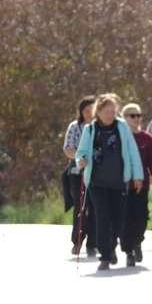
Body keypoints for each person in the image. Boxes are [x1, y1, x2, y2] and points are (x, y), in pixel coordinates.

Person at [75, 94, 144, 272]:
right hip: (97, 182)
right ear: (98, 112)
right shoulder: (90, 129)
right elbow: (81, 152)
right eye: (106, 112)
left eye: (113, 112)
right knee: (102, 217)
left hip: (119, 181)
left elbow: (132, 151)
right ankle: (105, 256)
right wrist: (81, 160)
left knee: (119, 219)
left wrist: (137, 176)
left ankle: (118, 248)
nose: (110, 115)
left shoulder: (122, 127)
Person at [120, 103, 152, 265]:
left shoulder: (147, 139)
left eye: (138, 115)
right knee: (125, 218)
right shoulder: (120, 138)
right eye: (132, 115)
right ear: (124, 118)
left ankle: (137, 242)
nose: (136, 118)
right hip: (121, 186)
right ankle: (128, 250)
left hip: (141, 186)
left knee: (141, 217)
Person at [64, 96, 97, 256]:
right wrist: (80, 157)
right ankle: (77, 241)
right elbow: (68, 148)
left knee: (96, 207)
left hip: (98, 173)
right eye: (86, 111)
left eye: (92, 110)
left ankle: (93, 243)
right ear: (81, 112)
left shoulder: (100, 128)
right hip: (78, 173)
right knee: (80, 206)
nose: (89, 114)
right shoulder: (75, 127)